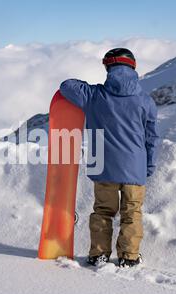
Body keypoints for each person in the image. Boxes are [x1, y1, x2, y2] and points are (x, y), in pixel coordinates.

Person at [60, 48, 160, 268]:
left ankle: (99, 255)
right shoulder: (145, 101)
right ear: (133, 67)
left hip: (102, 164)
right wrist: (149, 166)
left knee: (103, 211)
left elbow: (66, 86)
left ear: (108, 67)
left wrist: (86, 85)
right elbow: (152, 138)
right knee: (132, 213)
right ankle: (129, 257)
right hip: (135, 167)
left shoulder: (94, 95)